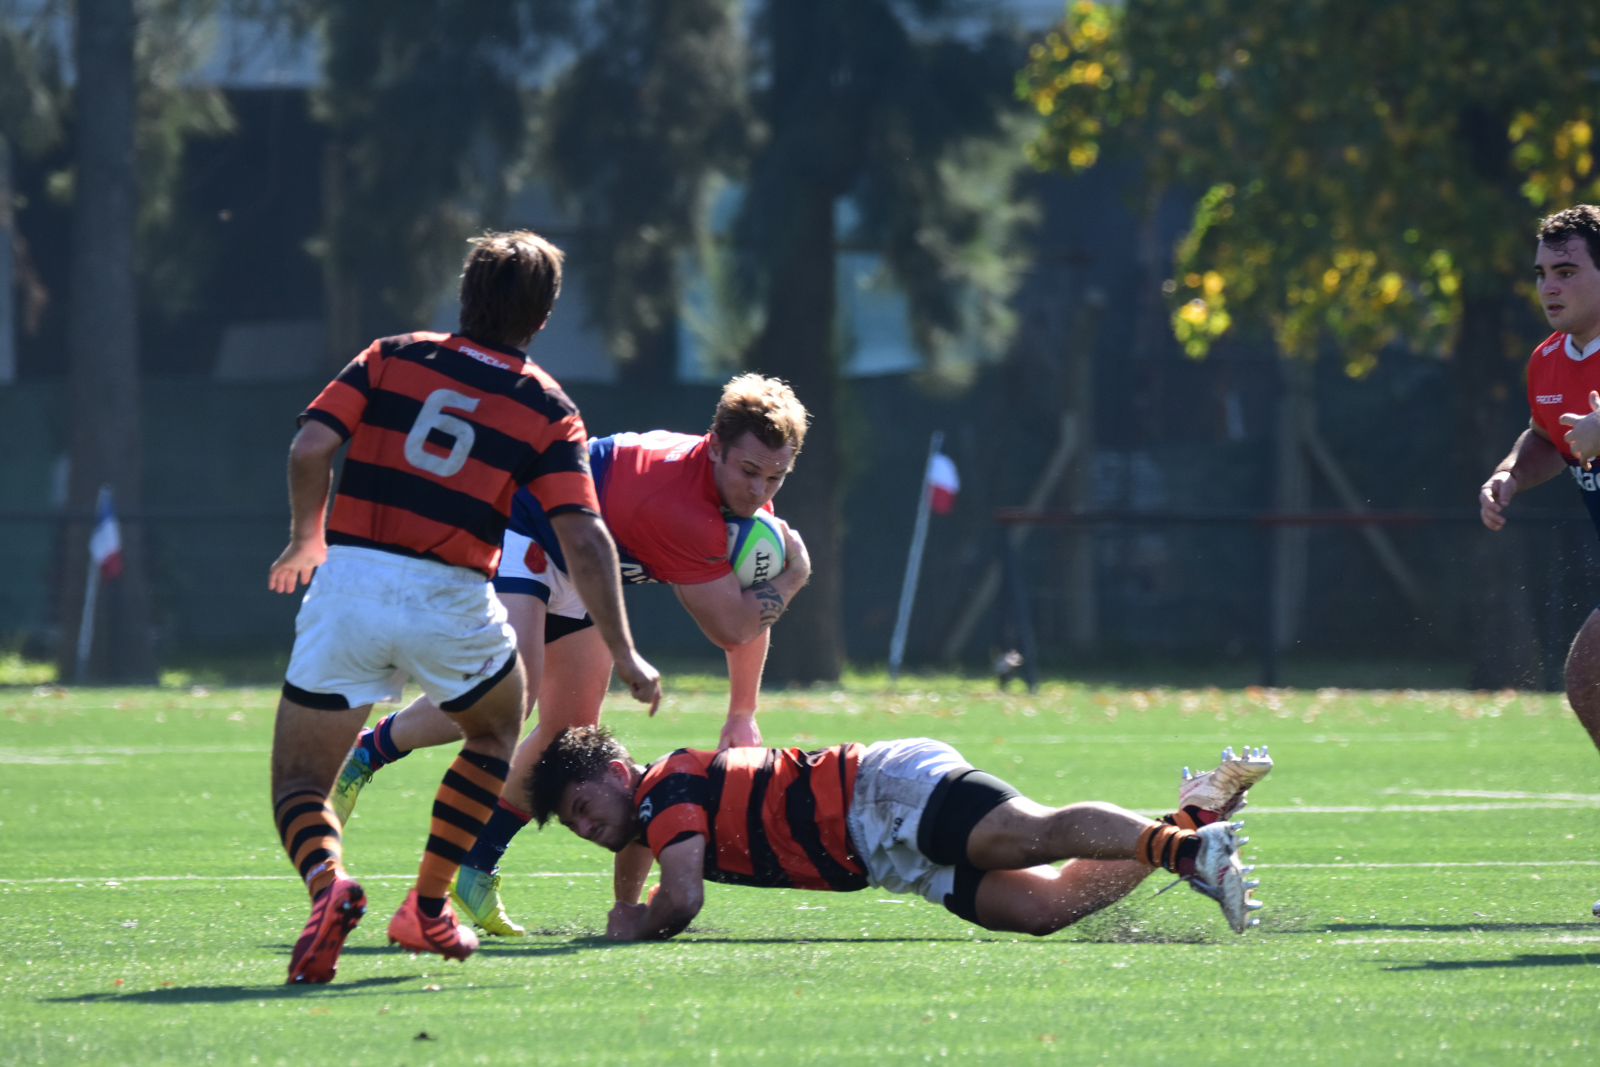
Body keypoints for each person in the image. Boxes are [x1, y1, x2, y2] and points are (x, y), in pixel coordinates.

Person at [267, 230, 661, 984]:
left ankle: (329, 884)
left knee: (301, 783)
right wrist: (625, 650)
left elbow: (310, 447)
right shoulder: (547, 405)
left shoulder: (391, 354)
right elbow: (584, 538)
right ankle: (427, 903)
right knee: (497, 733)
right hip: (451, 597)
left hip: (350, 585)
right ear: (542, 317)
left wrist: (305, 538)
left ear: (463, 293)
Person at [327, 375, 812, 936]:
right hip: (523, 525)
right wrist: (795, 574)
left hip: (583, 567)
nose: (758, 490)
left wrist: (742, 712)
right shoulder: (681, 507)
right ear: (715, 446)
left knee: (569, 730)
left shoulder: (741, 501)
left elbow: (747, 610)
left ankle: (475, 867)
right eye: (749, 471)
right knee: (508, 697)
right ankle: (366, 752)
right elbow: (731, 625)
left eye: (775, 477)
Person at [532, 726, 1271, 940]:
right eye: (574, 825)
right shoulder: (649, 811)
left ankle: (1185, 852)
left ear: (619, 771)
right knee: (1045, 908)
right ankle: (1192, 821)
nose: (587, 828)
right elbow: (637, 850)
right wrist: (625, 900)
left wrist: (632, 928)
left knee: (1030, 833)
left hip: (879, 792)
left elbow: (683, 897)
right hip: (882, 855)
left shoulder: (666, 791)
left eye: (584, 805)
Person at [1478, 204, 1600, 918]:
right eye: (1542, 273)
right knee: (1589, 682)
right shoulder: (1549, 360)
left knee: (1588, 674)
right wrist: (1510, 474)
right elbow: (1549, 437)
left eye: (1567, 271)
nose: (1550, 286)